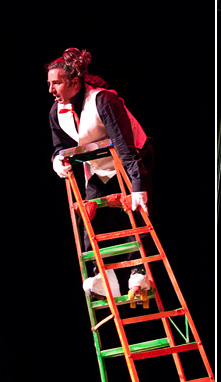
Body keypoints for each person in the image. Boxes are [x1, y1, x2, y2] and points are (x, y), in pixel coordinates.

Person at [46, 47, 154, 299]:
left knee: (132, 212)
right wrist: (57, 160)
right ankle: (103, 277)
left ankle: (138, 272)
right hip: (98, 165)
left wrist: (138, 186)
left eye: (56, 83)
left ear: (74, 82)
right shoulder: (57, 111)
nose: (51, 90)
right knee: (90, 215)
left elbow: (125, 145)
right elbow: (60, 145)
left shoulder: (103, 100)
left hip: (131, 157)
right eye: (49, 83)